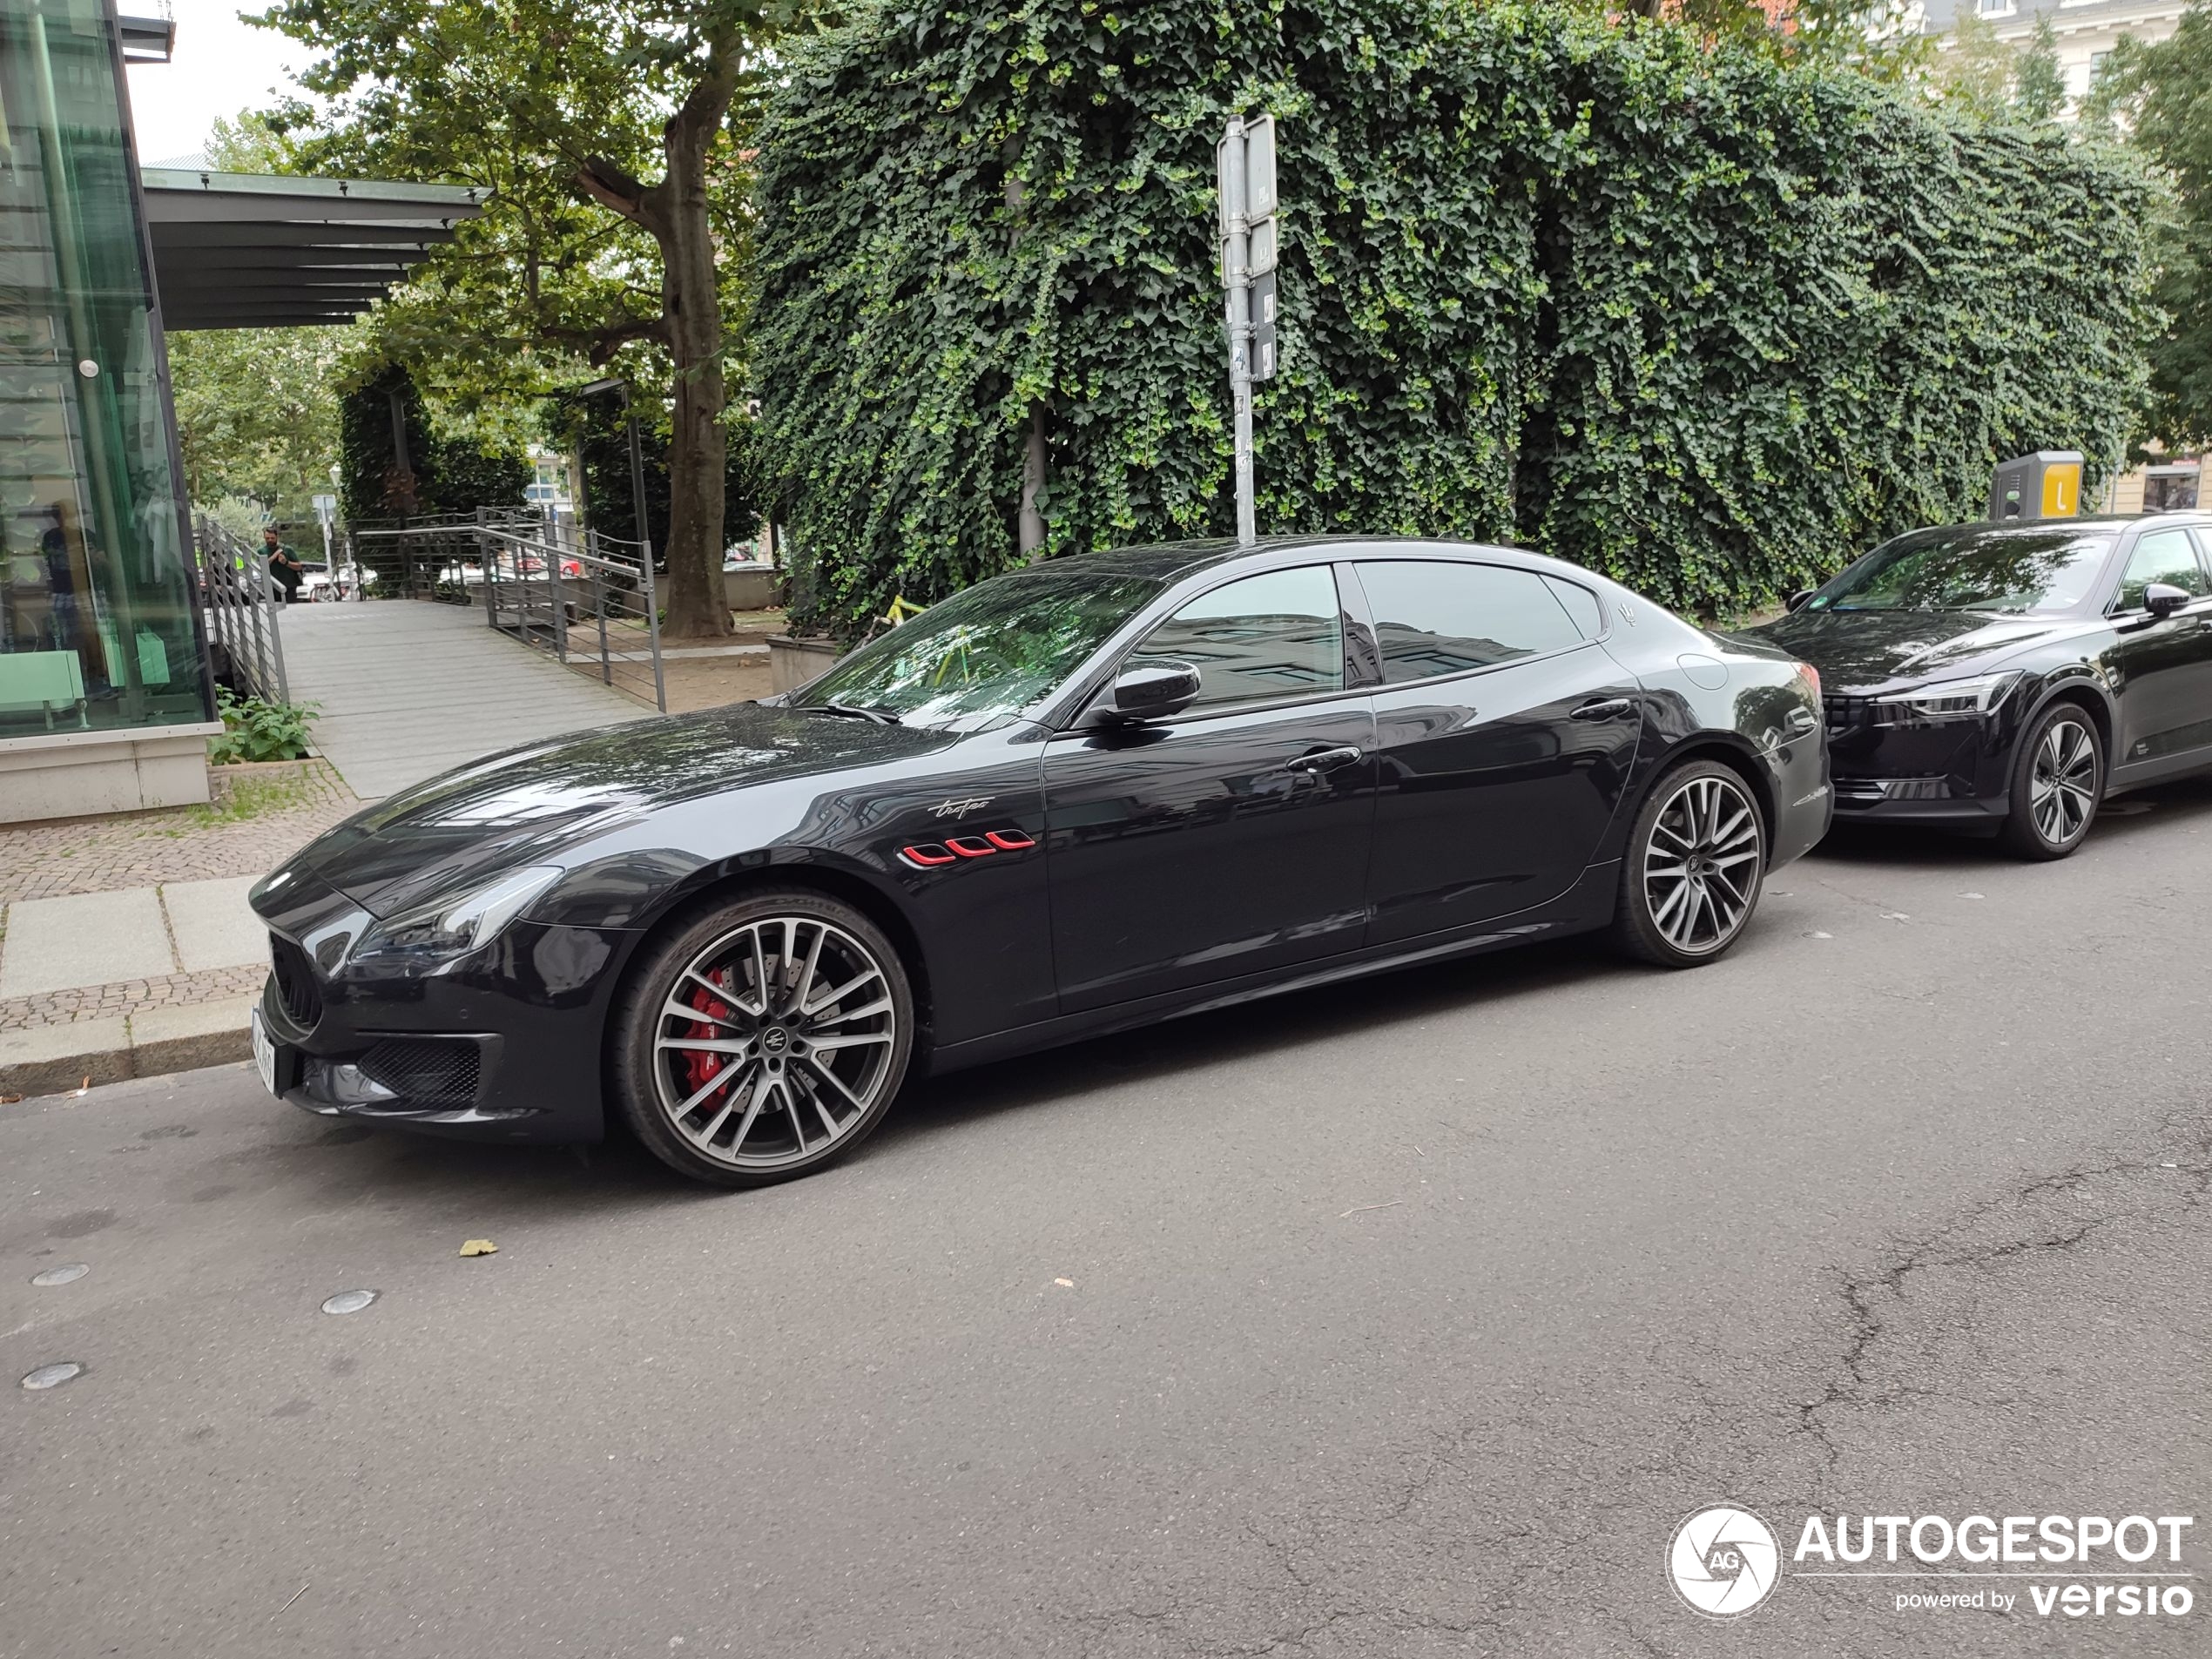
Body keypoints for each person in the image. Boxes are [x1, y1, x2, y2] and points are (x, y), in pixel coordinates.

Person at [264, 526, 307, 603]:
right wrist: (274, 556)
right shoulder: (262, 551)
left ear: (277, 537)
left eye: (272, 538)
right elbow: (261, 567)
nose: (270, 540)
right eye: (267, 538)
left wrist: (286, 562)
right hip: (271, 587)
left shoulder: (287, 549)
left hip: (289, 587)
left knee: (291, 610)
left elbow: (299, 567)